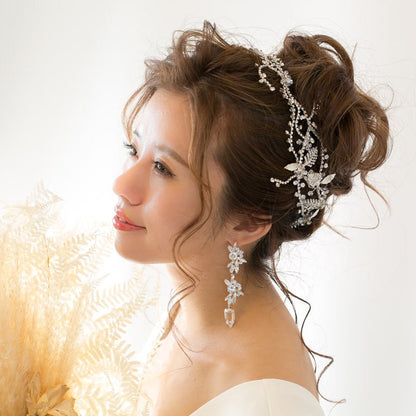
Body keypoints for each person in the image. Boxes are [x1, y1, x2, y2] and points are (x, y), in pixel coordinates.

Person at [112, 20, 390, 416]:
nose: (122, 185)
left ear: (246, 223)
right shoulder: (187, 308)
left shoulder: (266, 404)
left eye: (163, 168)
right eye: (133, 149)